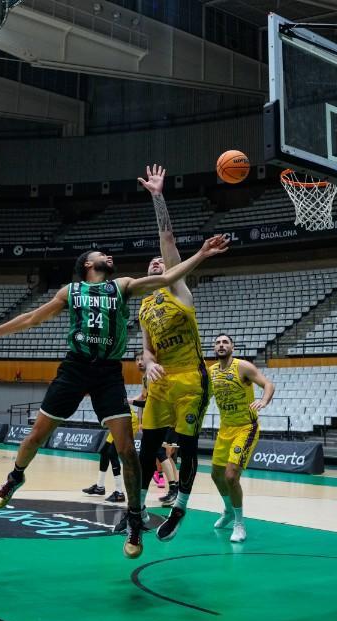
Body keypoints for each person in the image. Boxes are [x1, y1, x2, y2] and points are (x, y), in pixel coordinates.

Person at [0, 234, 230, 559]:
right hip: (75, 368)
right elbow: (31, 318)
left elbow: (167, 277)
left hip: (108, 373)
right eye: (101, 253)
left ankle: (134, 520)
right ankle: (15, 477)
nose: (108, 255)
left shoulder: (122, 286)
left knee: (127, 451)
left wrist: (201, 253)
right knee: (37, 435)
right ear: (89, 264)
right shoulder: (70, 291)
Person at [135, 164, 212, 542]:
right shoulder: (144, 308)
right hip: (161, 382)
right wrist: (148, 364)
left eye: (162, 263)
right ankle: (136, 513)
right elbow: (146, 351)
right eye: (152, 264)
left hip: (191, 379)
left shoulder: (179, 291)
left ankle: (180, 508)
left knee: (186, 445)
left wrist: (158, 196)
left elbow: (166, 236)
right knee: (147, 448)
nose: (157, 263)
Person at [208, 334, 274, 543]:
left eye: (225, 342)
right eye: (218, 342)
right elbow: (204, 396)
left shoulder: (243, 367)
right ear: (213, 348)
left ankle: (239, 523)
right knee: (216, 475)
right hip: (225, 428)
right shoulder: (211, 372)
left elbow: (268, 384)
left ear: (232, 347)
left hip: (246, 427)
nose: (221, 345)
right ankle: (228, 510)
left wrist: (263, 400)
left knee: (230, 476)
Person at [81, 352, 147, 503]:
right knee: (105, 451)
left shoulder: (103, 377)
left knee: (111, 452)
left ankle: (119, 492)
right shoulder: (97, 377)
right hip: (118, 417)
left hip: (126, 419)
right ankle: (99, 486)